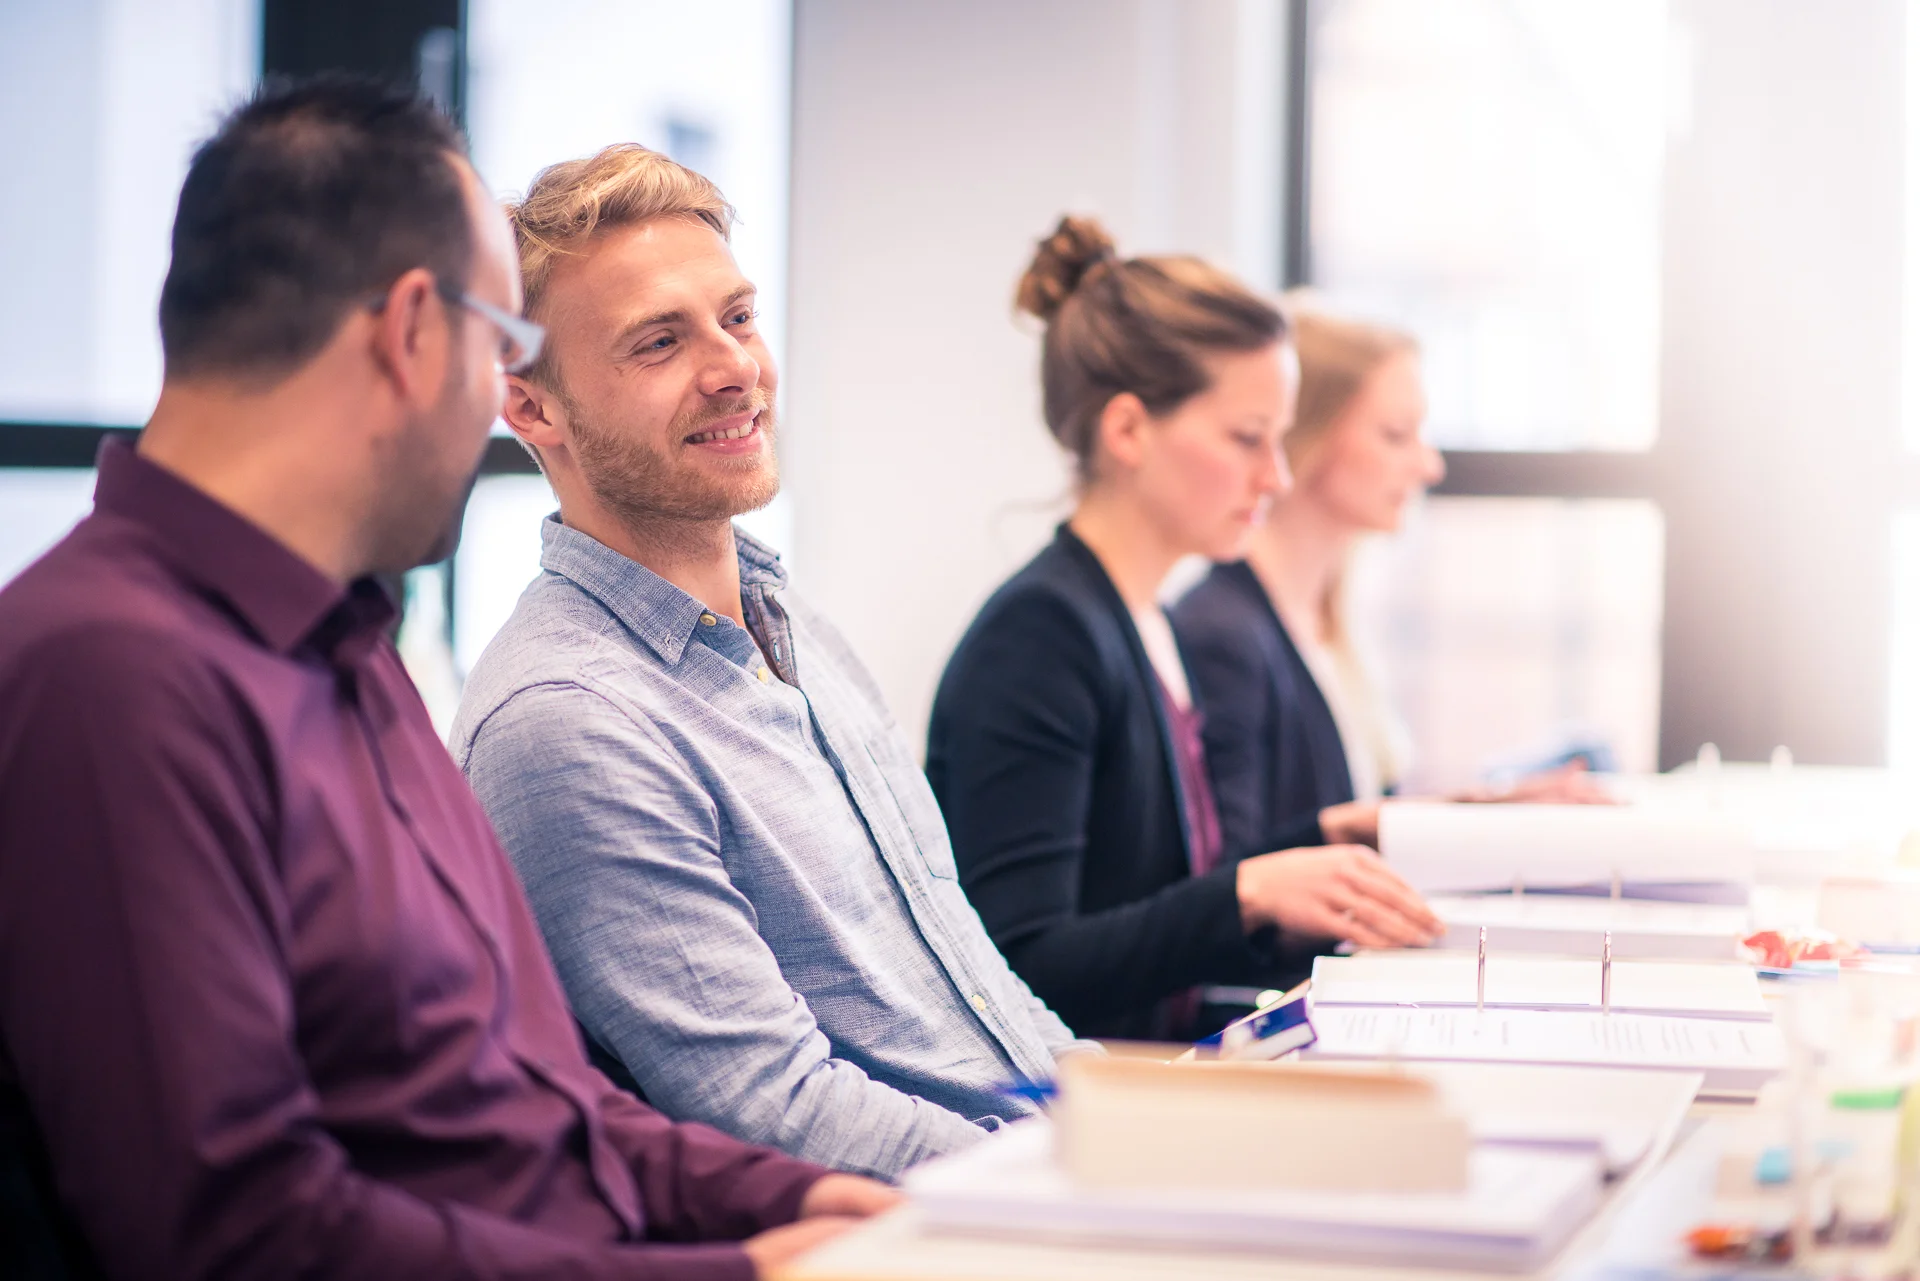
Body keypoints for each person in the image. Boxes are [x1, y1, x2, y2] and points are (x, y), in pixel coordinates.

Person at [0, 78, 895, 1281]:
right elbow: (237, 1237)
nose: (498, 405)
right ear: (412, 332)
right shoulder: (109, 677)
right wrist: (746, 1272)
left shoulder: (347, 646)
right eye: (500, 349)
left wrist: (816, 1201)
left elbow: (543, 1108)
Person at [451, 144, 1092, 1183]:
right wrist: (1082, 1183)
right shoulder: (566, 721)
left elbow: (980, 991)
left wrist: (1143, 1120)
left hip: (1045, 1177)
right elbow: (773, 1108)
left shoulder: (795, 631)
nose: (734, 367)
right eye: (659, 343)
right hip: (936, 1231)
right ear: (532, 409)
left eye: (737, 317)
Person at [924, 217, 1440, 1043]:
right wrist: (1248, 894)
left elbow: (1146, 895)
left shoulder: (1140, 617)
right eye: (1247, 439)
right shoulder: (1041, 636)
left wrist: (1325, 837)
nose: (1275, 477)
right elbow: (1020, 964)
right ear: (1128, 430)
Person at [1170, 304, 1605, 860]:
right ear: (1306, 438)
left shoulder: (1325, 623)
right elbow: (1242, 878)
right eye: (1397, 435)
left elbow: (1355, 818)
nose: (1428, 466)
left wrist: (1494, 809)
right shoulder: (1223, 634)